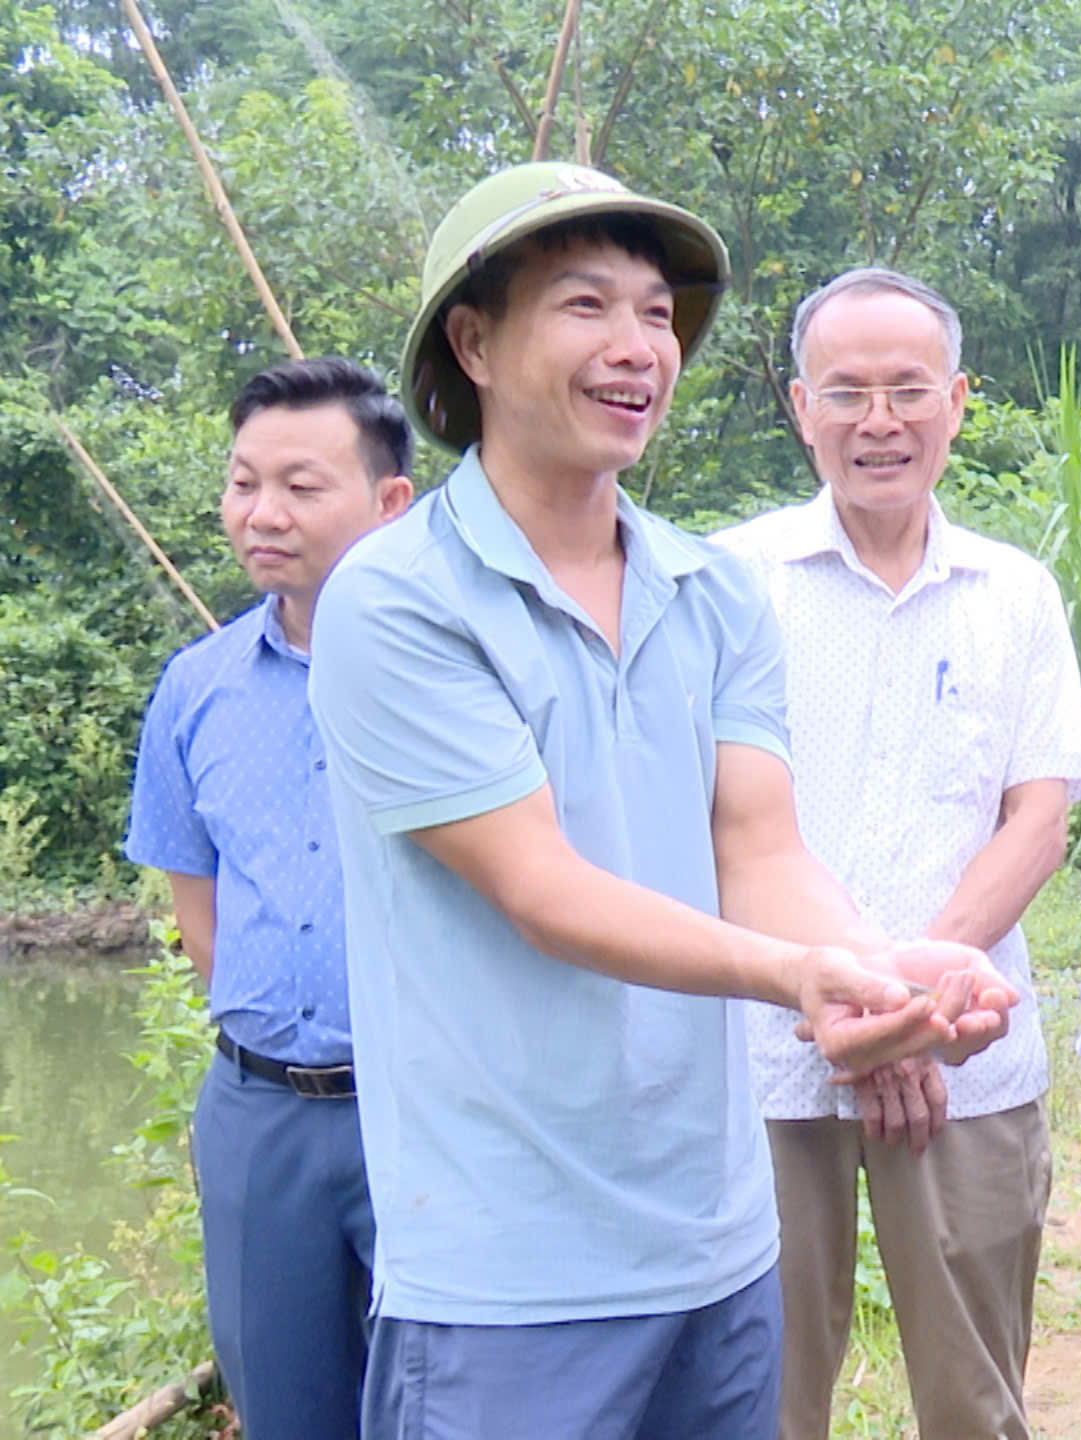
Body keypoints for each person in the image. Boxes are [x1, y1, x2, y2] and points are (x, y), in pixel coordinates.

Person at [307, 161, 1014, 1438]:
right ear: (472, 341)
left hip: (719, 1242)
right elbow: (545, 890)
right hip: (504, 1277)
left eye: (654, 314)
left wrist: (880, 973)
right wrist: (798, 979)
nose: (638, 347)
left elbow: (758, 848)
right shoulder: (398, 600)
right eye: (586, 306)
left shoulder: (711, 590)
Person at [715, 266, 1081, 1440]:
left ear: (958, 400)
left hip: (968, 1046)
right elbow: (719, 818)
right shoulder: (728, 581)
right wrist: (870, 1005)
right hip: (766, 1045)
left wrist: (913, 1004)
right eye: (846, 393)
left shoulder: (1013, 592)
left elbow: (1038, 816)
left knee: (974, 1393)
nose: (879, 422)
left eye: (906, 390)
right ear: (798, 407)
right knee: (763, 1391)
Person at [123, 358, 414, 1440]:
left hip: (425, 1101)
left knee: (450, 1401)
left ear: (392, 502)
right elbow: (195, 902)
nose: (262, 513)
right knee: (284, 1407)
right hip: (258, 1115)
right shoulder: (195, 688)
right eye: (245, 483)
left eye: (301, 484)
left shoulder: (460, 673)